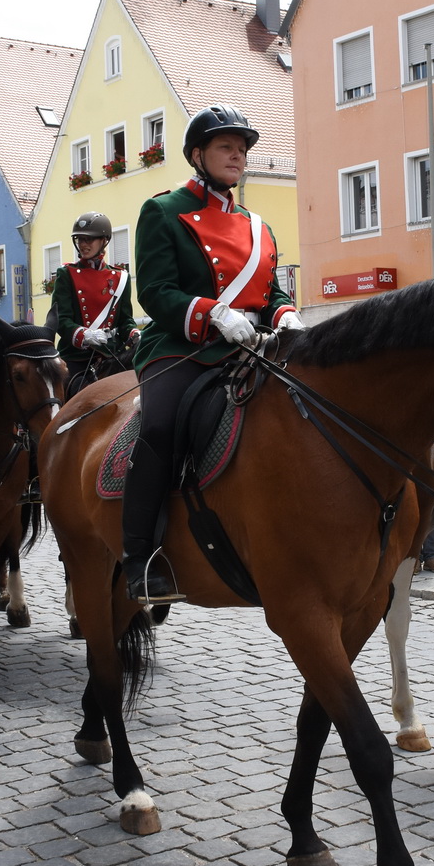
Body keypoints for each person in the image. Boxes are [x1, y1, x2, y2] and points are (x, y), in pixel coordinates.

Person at [124, 103, 304, 603]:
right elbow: (156, 292)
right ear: (198, 154)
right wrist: (210, 312)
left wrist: (285, 314)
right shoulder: (163, 211)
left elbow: (270, 292)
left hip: (254, 350)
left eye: (243, 149)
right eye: (227, 147)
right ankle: (139, 557)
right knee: (160, 426)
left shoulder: (258, 226)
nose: (238, 157)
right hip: (185, 349)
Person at [53, 212, 137, 390]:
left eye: (88, 239)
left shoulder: (121, 277)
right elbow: (61, 319)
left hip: (112, 354)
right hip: (77, 357)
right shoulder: (66, 274)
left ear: (104, 240)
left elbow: (124, 320)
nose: (83, 245)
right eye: (80, 239)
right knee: (71, 392)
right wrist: (85, 335)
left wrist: (133, 333)